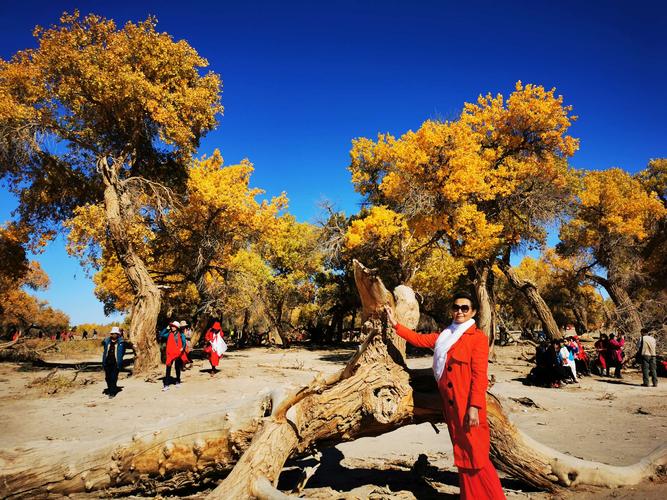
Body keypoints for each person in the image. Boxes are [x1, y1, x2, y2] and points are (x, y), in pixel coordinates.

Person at [385, 292, 505, 500]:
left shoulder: (477, 339)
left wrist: (474, 406)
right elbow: (419, 339)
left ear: (473, 312)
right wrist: (395, 324)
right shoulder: (446, 335)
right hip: (450, 407)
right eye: (456, 307)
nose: (459, 311)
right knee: (463, 452)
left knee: (475, 453)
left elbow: (479, 376)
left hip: (467, 405)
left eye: (465, 308)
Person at [159, 321, 188, 391]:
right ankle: (166, 385)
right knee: (168, 368)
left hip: (178, 353)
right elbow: (161, 335)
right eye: (171, 326)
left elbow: (184, 342)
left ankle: (177, 381)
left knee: (177, 367)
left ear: (177, 327)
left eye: (173, 326)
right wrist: (166, 328)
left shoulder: (181, 335)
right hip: (170, 353)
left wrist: (182, 348)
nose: (172, 327)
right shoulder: (169, 334)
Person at [102, 326, 125, 398]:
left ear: (118, 334)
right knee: (107, 378)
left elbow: (124, 350)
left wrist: (120, 358)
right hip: (107, 362)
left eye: (115, 333)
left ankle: (112, 393)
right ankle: (110, 388)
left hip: (116, 363)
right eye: (112, 333)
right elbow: (104, 350)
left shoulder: (121, 342)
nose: (113, 335)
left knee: (113, 378)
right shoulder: (107, 341)